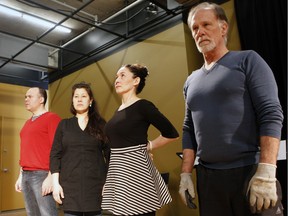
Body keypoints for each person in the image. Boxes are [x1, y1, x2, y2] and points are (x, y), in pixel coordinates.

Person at [178, 2, 284, 216]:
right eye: (195, 28)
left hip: (250, 173)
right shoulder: (191, 81)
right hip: (209, 180)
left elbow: (271, 113)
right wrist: (185, 174)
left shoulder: (247, 60)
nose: (200, 32)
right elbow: (189, 129)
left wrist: (266, 171)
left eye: (206, 24)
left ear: (223, 28)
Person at [101, 64, 179, 216]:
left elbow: (171, 133)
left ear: (135, 81)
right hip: (119, 174)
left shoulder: (143, 106)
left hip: (137, 173)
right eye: (117, 76)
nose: (117, 79)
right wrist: (108, 180)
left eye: (122, 75)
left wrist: (149, 146)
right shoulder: (118, 111)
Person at [50, 82, 110, 216]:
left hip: (95, 187)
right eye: (76, 96)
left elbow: (110, 155)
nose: (79, 99)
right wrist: (55, 184)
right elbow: (55, 155)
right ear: (72, 101)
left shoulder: (101, 124)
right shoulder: (64, 125)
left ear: (90, 101)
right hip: (69, 188)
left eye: (83, 96)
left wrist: (108, 182)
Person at [15, 87, 61, 216]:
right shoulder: (27, 123)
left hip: (42, 175)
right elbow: (25, 150)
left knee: (47, 213)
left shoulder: (52, 118)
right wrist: (20, 176)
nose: (26, 99)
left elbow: (57, 149)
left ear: (41, 99)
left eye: (30, 96)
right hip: (26, 174)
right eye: (25, 97)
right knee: (32, 213)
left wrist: (51, 176)